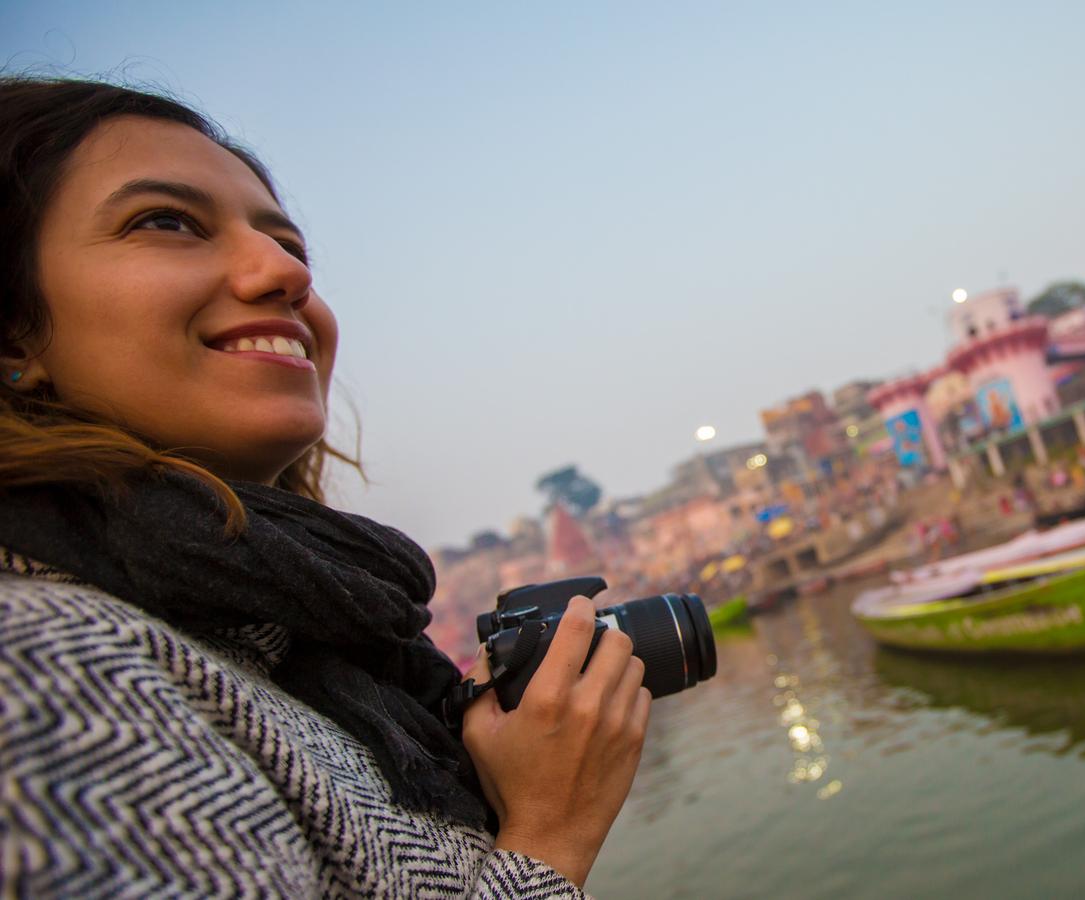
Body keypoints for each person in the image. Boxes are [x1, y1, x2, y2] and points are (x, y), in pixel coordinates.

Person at [0, 77, 649, 896]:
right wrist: (551, 831)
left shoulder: (279, 638)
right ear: (12, 333)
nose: (283, 272)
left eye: (292, 247)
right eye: (165, 222)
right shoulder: (39, 662)